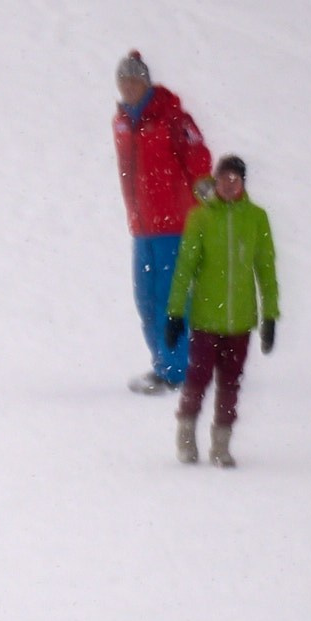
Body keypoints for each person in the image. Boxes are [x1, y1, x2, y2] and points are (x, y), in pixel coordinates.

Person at [166, 153, 279, 467]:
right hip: (206, 319)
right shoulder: (201, 218)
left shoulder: (256, 218)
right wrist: (175, 313)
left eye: (235, 180)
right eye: (224, 179)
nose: (229, 185)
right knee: (198, 378)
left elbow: (266, 269)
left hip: (239, 321)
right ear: (215, 181)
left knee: (231, 383)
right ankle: (186, 435)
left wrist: (270, 315)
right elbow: (184, 268)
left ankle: (221, 445)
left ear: (243, 183)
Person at [112, 50, 211, 395]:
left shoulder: (172, 118)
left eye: (134, 80)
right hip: (142, 228)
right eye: (122, 81)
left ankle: (177, 371)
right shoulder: (122, 122)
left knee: (172, 299)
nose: (128, 87)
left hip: (174, 226)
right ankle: (163, 365)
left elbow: (199, 160)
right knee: (146, 298)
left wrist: (203, 203)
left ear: (146, 82)